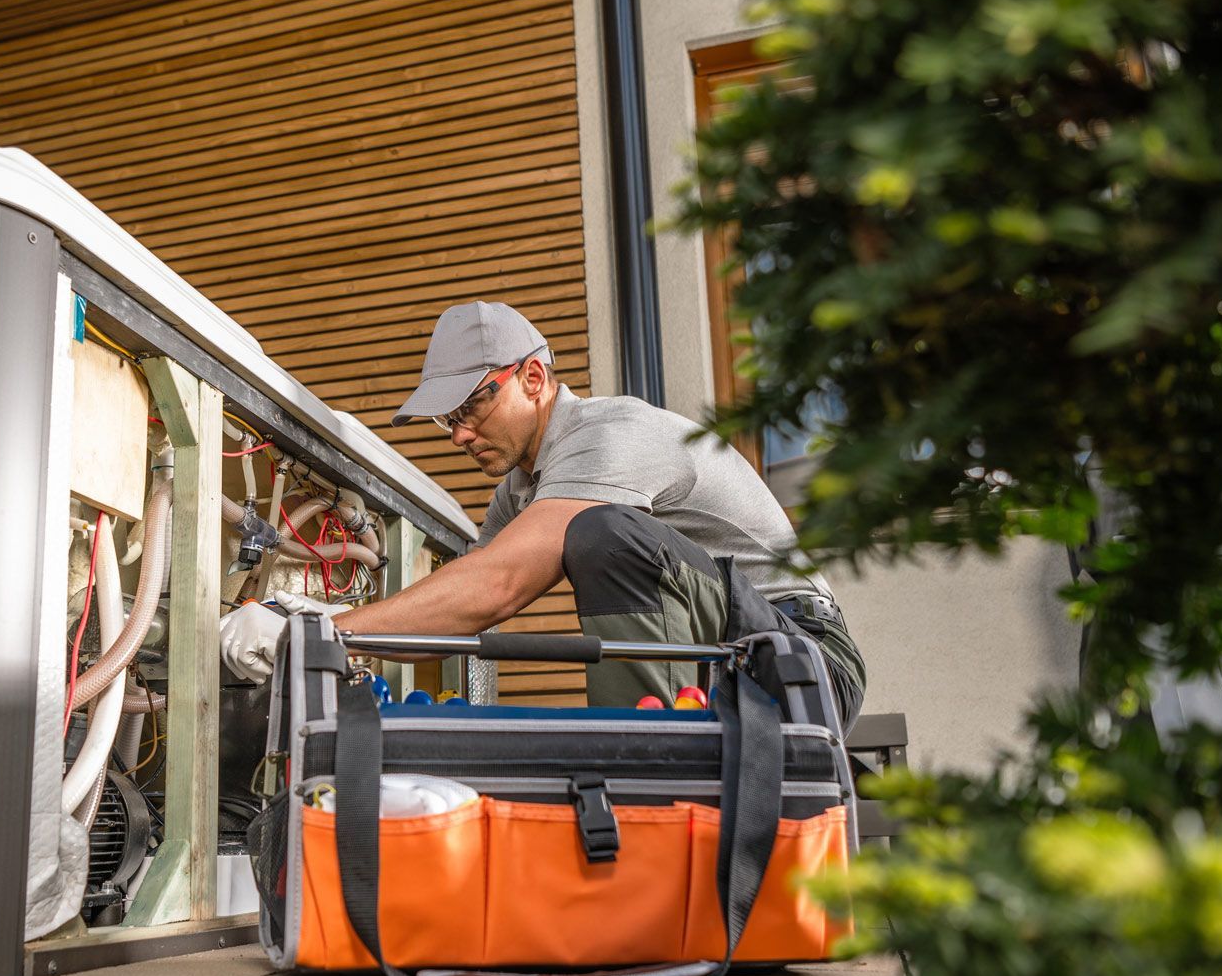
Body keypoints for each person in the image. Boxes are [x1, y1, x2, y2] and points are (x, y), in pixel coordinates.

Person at [219, 300, 865, 721]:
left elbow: (497, 587)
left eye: (470, 407)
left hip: (799, 664)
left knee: (606, 534)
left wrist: (326, 633)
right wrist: (319, 617)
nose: (459, 434)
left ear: (533, 377)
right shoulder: (522, 490)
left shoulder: (613, 432)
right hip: (728, 662)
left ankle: (646, 772)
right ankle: (646, 760)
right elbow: (444, 619)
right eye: (447, 419)